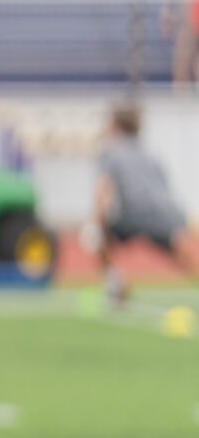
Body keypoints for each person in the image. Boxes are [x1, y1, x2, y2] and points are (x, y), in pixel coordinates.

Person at [91, 102, 199, 304]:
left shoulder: (110, 152)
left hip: (132, 214)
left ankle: (117, 286)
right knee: (180, 254)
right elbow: (165, 189)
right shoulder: (151, 154)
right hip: (164, 214)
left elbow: (104, 191)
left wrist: (99, 222)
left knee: (99, 242)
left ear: (115, 126)